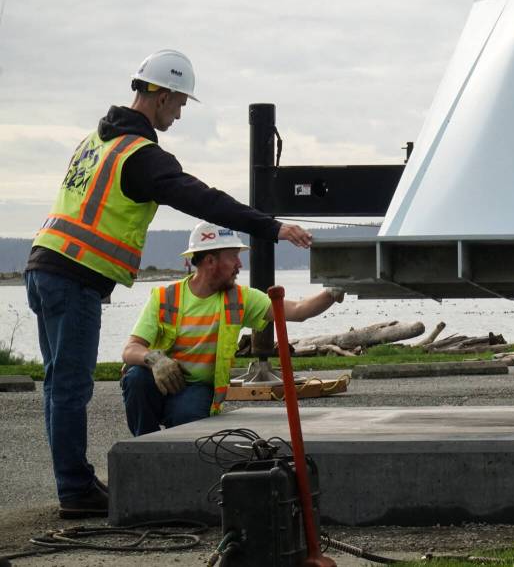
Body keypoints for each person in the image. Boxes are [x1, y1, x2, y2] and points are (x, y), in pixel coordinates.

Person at [24, 50, 314, 519]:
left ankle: (74, 482)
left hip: (44, 268)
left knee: (59, 386)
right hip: (72, 275)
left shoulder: (95, 141)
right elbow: (204, 200)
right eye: (178, 102)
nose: (179, 113)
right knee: (71, 388)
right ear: (157, 95)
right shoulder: (140, 157)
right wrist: (271, 227)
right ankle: (76, 491)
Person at [121, 222, 343, 436]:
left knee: (187, 423)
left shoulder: (239, 298)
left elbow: (298, 310)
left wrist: (333, 292)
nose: (239, 264)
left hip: (197, 389)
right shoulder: (165, 297)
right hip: (159, 382)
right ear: (210, 261)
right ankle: (143, 448)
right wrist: (155, 360)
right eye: (233, 257)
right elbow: (131, 350)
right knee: (136, 378)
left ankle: (176, 456)